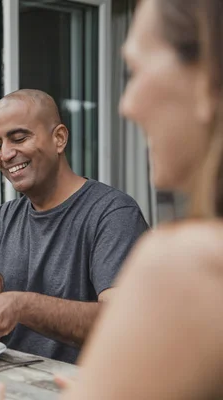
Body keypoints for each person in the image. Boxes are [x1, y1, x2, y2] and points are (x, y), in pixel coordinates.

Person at [60, 0, 223, 398]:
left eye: (135, 71)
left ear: (205, 79)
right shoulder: (7, 215)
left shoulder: (187, 263)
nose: (126, 106)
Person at [0, 89, 149, 364]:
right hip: (3, 382)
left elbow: (121, 322)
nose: (5, 154)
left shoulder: (113, 213)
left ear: (59, 138)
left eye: (19, 138)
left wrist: (19, 304)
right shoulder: (4, 217)